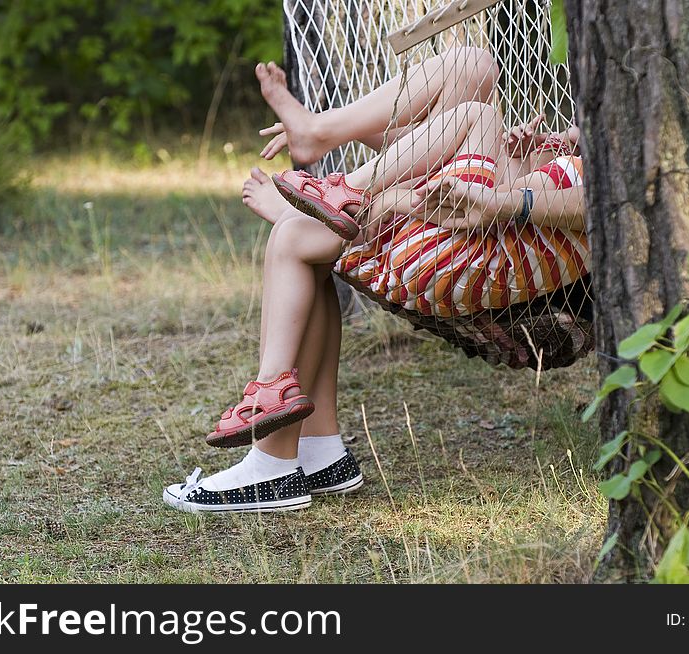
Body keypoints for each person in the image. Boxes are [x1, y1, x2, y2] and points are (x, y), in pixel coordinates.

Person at [163, 50, 587, 514]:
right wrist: (533, 155)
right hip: (470, 240)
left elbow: (526, 208)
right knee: (472, 67)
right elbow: (468, 179)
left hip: (467, 257)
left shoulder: (634, 166)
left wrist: (512, 191)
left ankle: (270, 455)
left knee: (297, 237)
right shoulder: (605, 144)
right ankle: (320, 450)